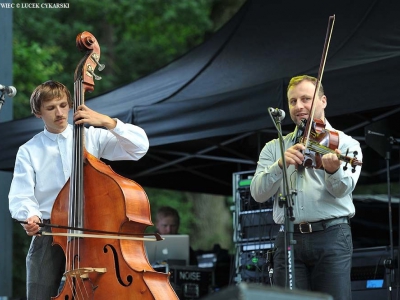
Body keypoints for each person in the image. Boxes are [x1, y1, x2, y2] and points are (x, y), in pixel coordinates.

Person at [8, 80, 150, 299]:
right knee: (38, 294)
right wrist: (30, 215)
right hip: (50, 232)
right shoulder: (29, 150)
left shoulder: (91, 136)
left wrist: (108, 122)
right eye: (51, 107)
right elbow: (21, 194)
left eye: (64, 105)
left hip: (93, 232)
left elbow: (139, 148)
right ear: (38, 113)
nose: (59, 113)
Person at [250, 75, 362, 300]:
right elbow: (258, 193)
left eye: (306, 99)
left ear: (323, 101)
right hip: (288, 237)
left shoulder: (346, 144)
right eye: (292, 101)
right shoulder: (274, 148)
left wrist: (332, 171)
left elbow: (342, 190)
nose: (299, 106)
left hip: (331, 235)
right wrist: (279, 165)